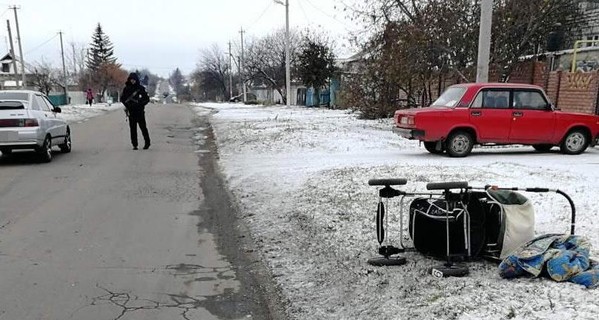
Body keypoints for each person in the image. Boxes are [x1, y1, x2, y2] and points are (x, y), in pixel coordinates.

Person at [120, 73, 151, 150]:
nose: (132, 81)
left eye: (134, 80)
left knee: (143, 128)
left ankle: (147, 142)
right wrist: (128, 105)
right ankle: (134, 144)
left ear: (136, 80)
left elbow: (146, 99)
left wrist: (141, 104)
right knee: (133, 129)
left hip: (140, 111)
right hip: (131, 111)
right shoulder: (126, 89)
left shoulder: (140, 88)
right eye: (131, 80)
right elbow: (123, 99)